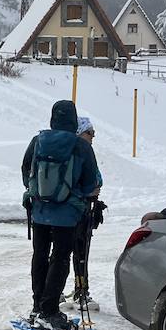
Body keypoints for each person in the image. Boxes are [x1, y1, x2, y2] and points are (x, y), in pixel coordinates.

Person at [21, 100, 102, 330]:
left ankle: (38, 307)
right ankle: (50, 311)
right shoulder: (81, 146)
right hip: (68, 215)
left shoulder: (38, 141)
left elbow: (26, 171)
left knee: (40, 255)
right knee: (60, 258)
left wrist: (36, 191)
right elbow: (90, 182)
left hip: (39, 211)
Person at [69, 117, 105, 314]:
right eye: (89, 133)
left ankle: (73, 291)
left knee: (61, 252)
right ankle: (81, 292)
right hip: (81, 210)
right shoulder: (84, 153)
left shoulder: (66, 152)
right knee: (80, 253)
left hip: (64, 212)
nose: (93, 137)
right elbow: (96, 181)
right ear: (80, 132)